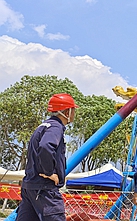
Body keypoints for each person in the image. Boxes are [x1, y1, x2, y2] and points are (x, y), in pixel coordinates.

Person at [16, 93, 79, 221]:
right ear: (66, 112)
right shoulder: (56, 127)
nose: (74, 114)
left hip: (30, 187)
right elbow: (45, 146)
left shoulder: (43, 126)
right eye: (73, 110)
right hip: (44, 190)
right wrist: (49, 172)